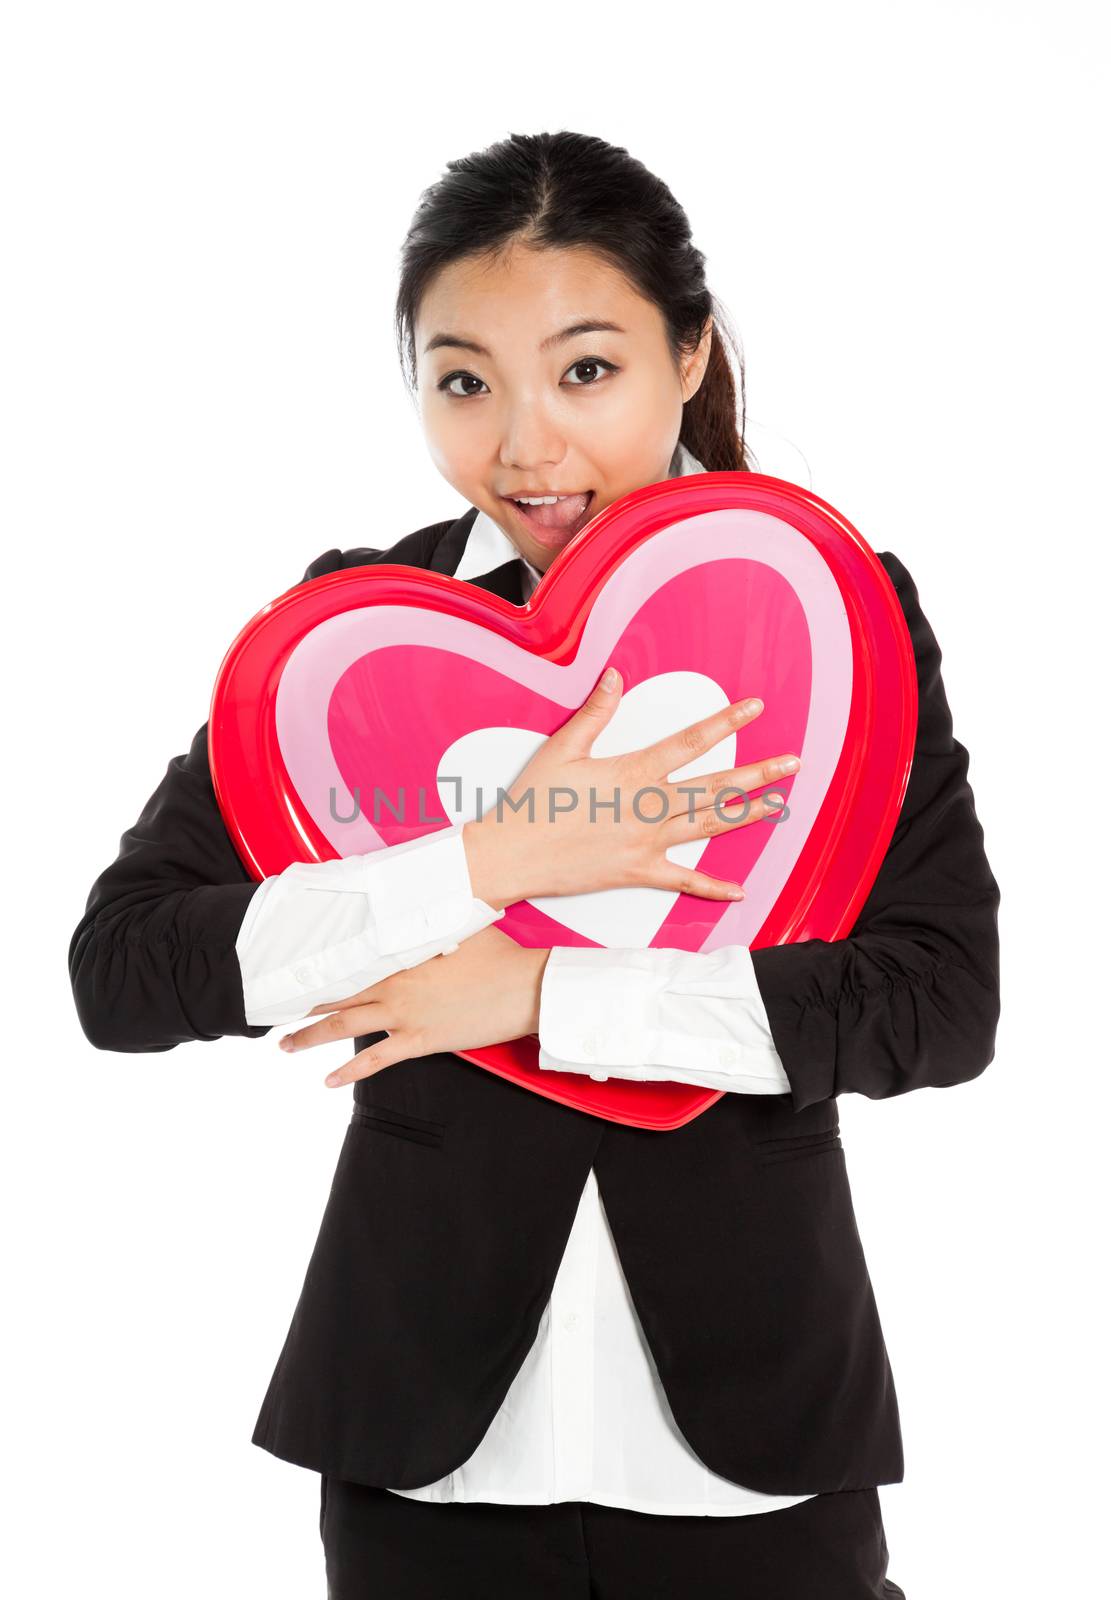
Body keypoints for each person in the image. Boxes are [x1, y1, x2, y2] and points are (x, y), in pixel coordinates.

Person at [69, 130, 1000, 1598]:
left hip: (752, 1445)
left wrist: (541, 997)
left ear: (689, 354)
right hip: (423, 1448)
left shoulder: (831, 614)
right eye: (462, 381)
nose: (522, 445)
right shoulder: (351, 641)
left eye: (585, 370)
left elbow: (938, 1003)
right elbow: (121, 974)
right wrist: (487, 856)